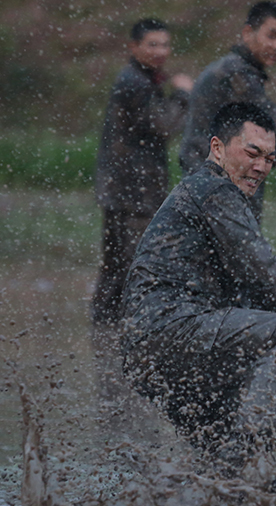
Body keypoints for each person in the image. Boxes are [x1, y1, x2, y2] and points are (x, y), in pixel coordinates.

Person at [122, 103, 276, 473]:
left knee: (219, 441)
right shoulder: (215, 190)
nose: (261, 167)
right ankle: (248, 460)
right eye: (252, 153)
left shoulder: (209, 194)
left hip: (156, 344)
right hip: (172, 331)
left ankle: (211, 491)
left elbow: (242, 284)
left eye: (270, 159)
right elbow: (260, 269)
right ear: (217, 148)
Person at [177, 1, 276, 219]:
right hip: (217, 195)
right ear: (248, 33)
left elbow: (258, 150)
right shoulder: (237, 75)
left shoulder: (236, 70)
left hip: (213, 191)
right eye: (272, 36)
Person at [91, 18, 193, 325]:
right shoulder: (135, 82)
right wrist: (183, 95)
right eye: (152, 44)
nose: (161, 51)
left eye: (164, 44)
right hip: (132, 192)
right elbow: (164, 126)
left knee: (117, 266)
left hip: (125, 189)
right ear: (134, 47)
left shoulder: (142, 78)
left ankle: (107, 333)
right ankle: (123, 332)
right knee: (135, 264)